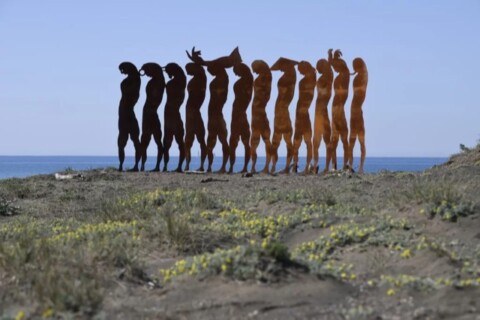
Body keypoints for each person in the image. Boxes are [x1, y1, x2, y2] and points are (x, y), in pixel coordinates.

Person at [270, 57, 298, 173]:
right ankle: (274, 167)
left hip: (282, 111)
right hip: (280, 111)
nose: (280, 69)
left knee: (283, 139)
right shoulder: (289, 75)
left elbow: (288, 96)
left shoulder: (290, 77)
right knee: (279, 140)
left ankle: (286, 167)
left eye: (281, 66)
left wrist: (281, 108)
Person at [138, 62, 165, 171]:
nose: (147, 74)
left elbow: (154, 99)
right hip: (149, 112)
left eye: (148, 71)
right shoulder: (158, 82)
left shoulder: (157, 83)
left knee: (150, 140)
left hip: (150, 113)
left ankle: (151, 166)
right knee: (147, 140)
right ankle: (143, 165)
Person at [228, 63, 253, 173]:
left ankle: (241, 167)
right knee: (237, 142)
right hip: (238, 112)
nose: (235, 73)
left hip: (239, 113)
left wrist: (241, 110)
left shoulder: (247, 81)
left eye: (236, 70)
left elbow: (246, 98)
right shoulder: (246, 81)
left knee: (241, 141)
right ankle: (233, 167)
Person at [292, 61, 316, 174]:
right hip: (300, 114)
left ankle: (307, 166)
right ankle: (295, 166)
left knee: (306, 142)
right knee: (297, 142)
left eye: (300, 69)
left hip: (303, 114)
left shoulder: (310, 80)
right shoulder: (306, 80)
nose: (299, 72)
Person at [328, 49, 350, 170]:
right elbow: (331, 64)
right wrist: (331, 56)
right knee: (335, 139)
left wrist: (333, 58)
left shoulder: (344, 77)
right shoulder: (341, 76)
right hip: (336, 108)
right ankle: (334, 166)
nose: (334, 69)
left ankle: (344, 164)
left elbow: (333, 64)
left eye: (336, 67)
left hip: (338, 108)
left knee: (342, 138)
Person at [205, 62, 230, 173]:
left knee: (222, 140)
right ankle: (210, 166)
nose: (209, 72)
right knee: (210, 142)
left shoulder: (222, 80)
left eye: (211, 70)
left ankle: (223, 167)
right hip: (213, 116)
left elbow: (221, 99)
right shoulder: (216, 81)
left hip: (216, 115)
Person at [117, 62, 141, 172]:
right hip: (124, 113)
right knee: (122, 141)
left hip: (127, 113)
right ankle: (121, 165)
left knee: (134, 139)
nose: (122, 73)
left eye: (123, 70)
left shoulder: (135, 80)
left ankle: (135, 165)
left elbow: (133, 94)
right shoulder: (132, 80)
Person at [162, 63, 187, 172]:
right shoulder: (181, 82)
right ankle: (177, 166)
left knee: (168, 142)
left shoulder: (173, 83)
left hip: (170, 114)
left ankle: (166, 166)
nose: (167, 74)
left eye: (168, 72)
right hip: (174, 114)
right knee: (179, 142)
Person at [250, 60, 273, 174]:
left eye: (254, 68)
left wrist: (260, 104)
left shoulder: (265, 78)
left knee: (263, 139)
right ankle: (255, 166)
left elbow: (267, 94)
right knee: (256, 141)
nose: (253, 71)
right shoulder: (262, 78)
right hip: (256, 113)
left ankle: (267, 166)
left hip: (259, 112)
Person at [184, 62, 207, 172]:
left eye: (188, 69)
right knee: (188, 140)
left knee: (200, 138)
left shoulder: (201, 78)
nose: (187, 72)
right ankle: (187, 164)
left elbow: (201, 96)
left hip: (193, 111)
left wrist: (197, 60)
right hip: (190, 111)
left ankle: (201, 165)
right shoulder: (197, 79)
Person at [312, 59, 334, 174]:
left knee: (326, 141)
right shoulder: (323, 78)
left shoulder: (327, 78)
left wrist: (329, 59)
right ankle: (315, 166)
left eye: (319, 67)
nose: (318, 69)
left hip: (322, 112)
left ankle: (328, 167)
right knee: (315, 142)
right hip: (318, 113)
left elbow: (330, 73)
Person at [348, 58, 368, 174]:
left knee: (359, 141)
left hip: (356, 112)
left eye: (354, 66)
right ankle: (352, 166)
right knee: (353, 141)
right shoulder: (359, 76)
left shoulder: (362, 77)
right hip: (354, 111)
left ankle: (360, 168)